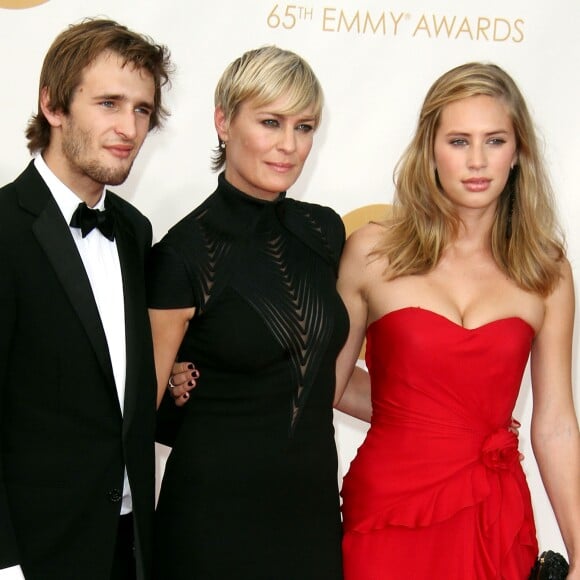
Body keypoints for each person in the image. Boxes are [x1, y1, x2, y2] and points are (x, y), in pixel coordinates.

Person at [334, 62, 580, 579]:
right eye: (458, 140)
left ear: (518, 154)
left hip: (494, 515)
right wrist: (410, 412)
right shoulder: (373, 251)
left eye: (494, 140)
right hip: (388, 509)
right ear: (431, 150)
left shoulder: (547, 270)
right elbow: (324, 386)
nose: (476, 161)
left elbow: (555, 423)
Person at [147, 46, 347, 579]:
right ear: (223, 122)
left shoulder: (324, 232)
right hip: (212, 525)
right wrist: (172, 387)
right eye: (270, 122)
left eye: (304, 126)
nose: (289, 145)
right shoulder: (181, 255)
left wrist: (446, 414)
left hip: (311, 517)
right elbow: (139, 408)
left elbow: (320, 368)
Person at [0, 18, 173, 580]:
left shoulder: (135, 230)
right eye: (108, 103)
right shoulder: (3, 229)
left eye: (142, 110)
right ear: (53, 105)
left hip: (126, 542)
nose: (128, 127)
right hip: (34, 550)